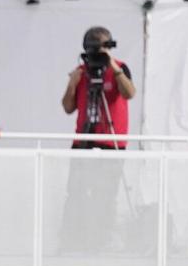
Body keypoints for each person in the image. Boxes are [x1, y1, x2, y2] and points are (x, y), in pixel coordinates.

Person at [57, 26, 135, 253]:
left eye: (101, 48)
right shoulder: (81, 72)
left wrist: (112, 66)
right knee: (76, 193)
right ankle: (72, 240)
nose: (96, 54)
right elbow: (68, 107)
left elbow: (129, 93)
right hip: (84, 141)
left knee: (106, 195)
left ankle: (102, 241)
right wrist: (72, 83)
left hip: (110, 142)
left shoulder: (119, 68)